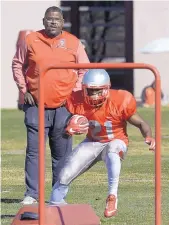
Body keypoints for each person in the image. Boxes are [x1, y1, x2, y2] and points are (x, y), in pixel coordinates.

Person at [49, 69, 155, 218]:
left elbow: (141, 123)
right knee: (66, 174)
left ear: (107, 88)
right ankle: (55, 204)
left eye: (98, 91)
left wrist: (149, 136)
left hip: (116, 141)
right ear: (84, 88)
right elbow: (63, 127)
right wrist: (68, 127)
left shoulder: (120, 100)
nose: (94, 95)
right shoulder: (75, 99)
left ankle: (112, 196)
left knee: (113, 149)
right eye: (90, 91)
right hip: (92, 142)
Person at [12, 6, 89, 205]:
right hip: (36, 105)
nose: (53, 22)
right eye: (49, 19)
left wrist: (75, 93)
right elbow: (17, 64)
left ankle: (58, 195)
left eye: (56, 19)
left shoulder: (73, 43)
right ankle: (32, 194)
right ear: (43, 21)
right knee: (34, 152)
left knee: (61, 155)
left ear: (63, 22)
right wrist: (24, 90)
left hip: (64, 108)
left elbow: (84, 69)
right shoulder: (30, 40)